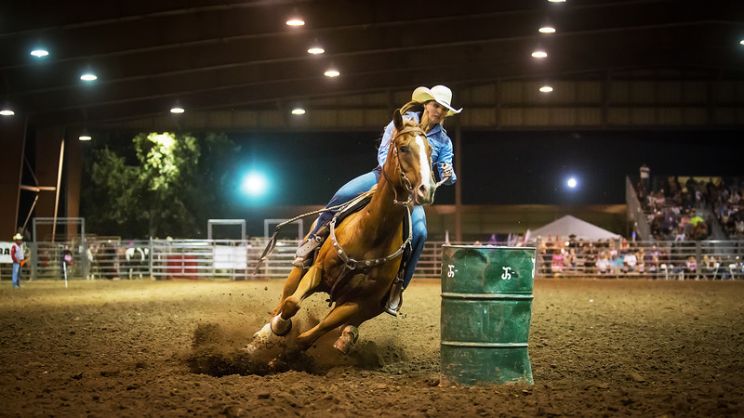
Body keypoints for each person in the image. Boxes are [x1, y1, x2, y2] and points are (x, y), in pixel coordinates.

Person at [297, 85, 461, 315]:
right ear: (426, 104)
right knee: (343, 194)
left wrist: (448, 173)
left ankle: (397, 287)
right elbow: (384, 152)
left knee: (421, 233)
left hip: (411, 193)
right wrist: (388, 178)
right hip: (382, 177)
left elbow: (449, 173)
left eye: (444, 109)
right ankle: (313, 240)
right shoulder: (401, 122)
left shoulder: (443, 141)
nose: (439, 111)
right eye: (436, 105)